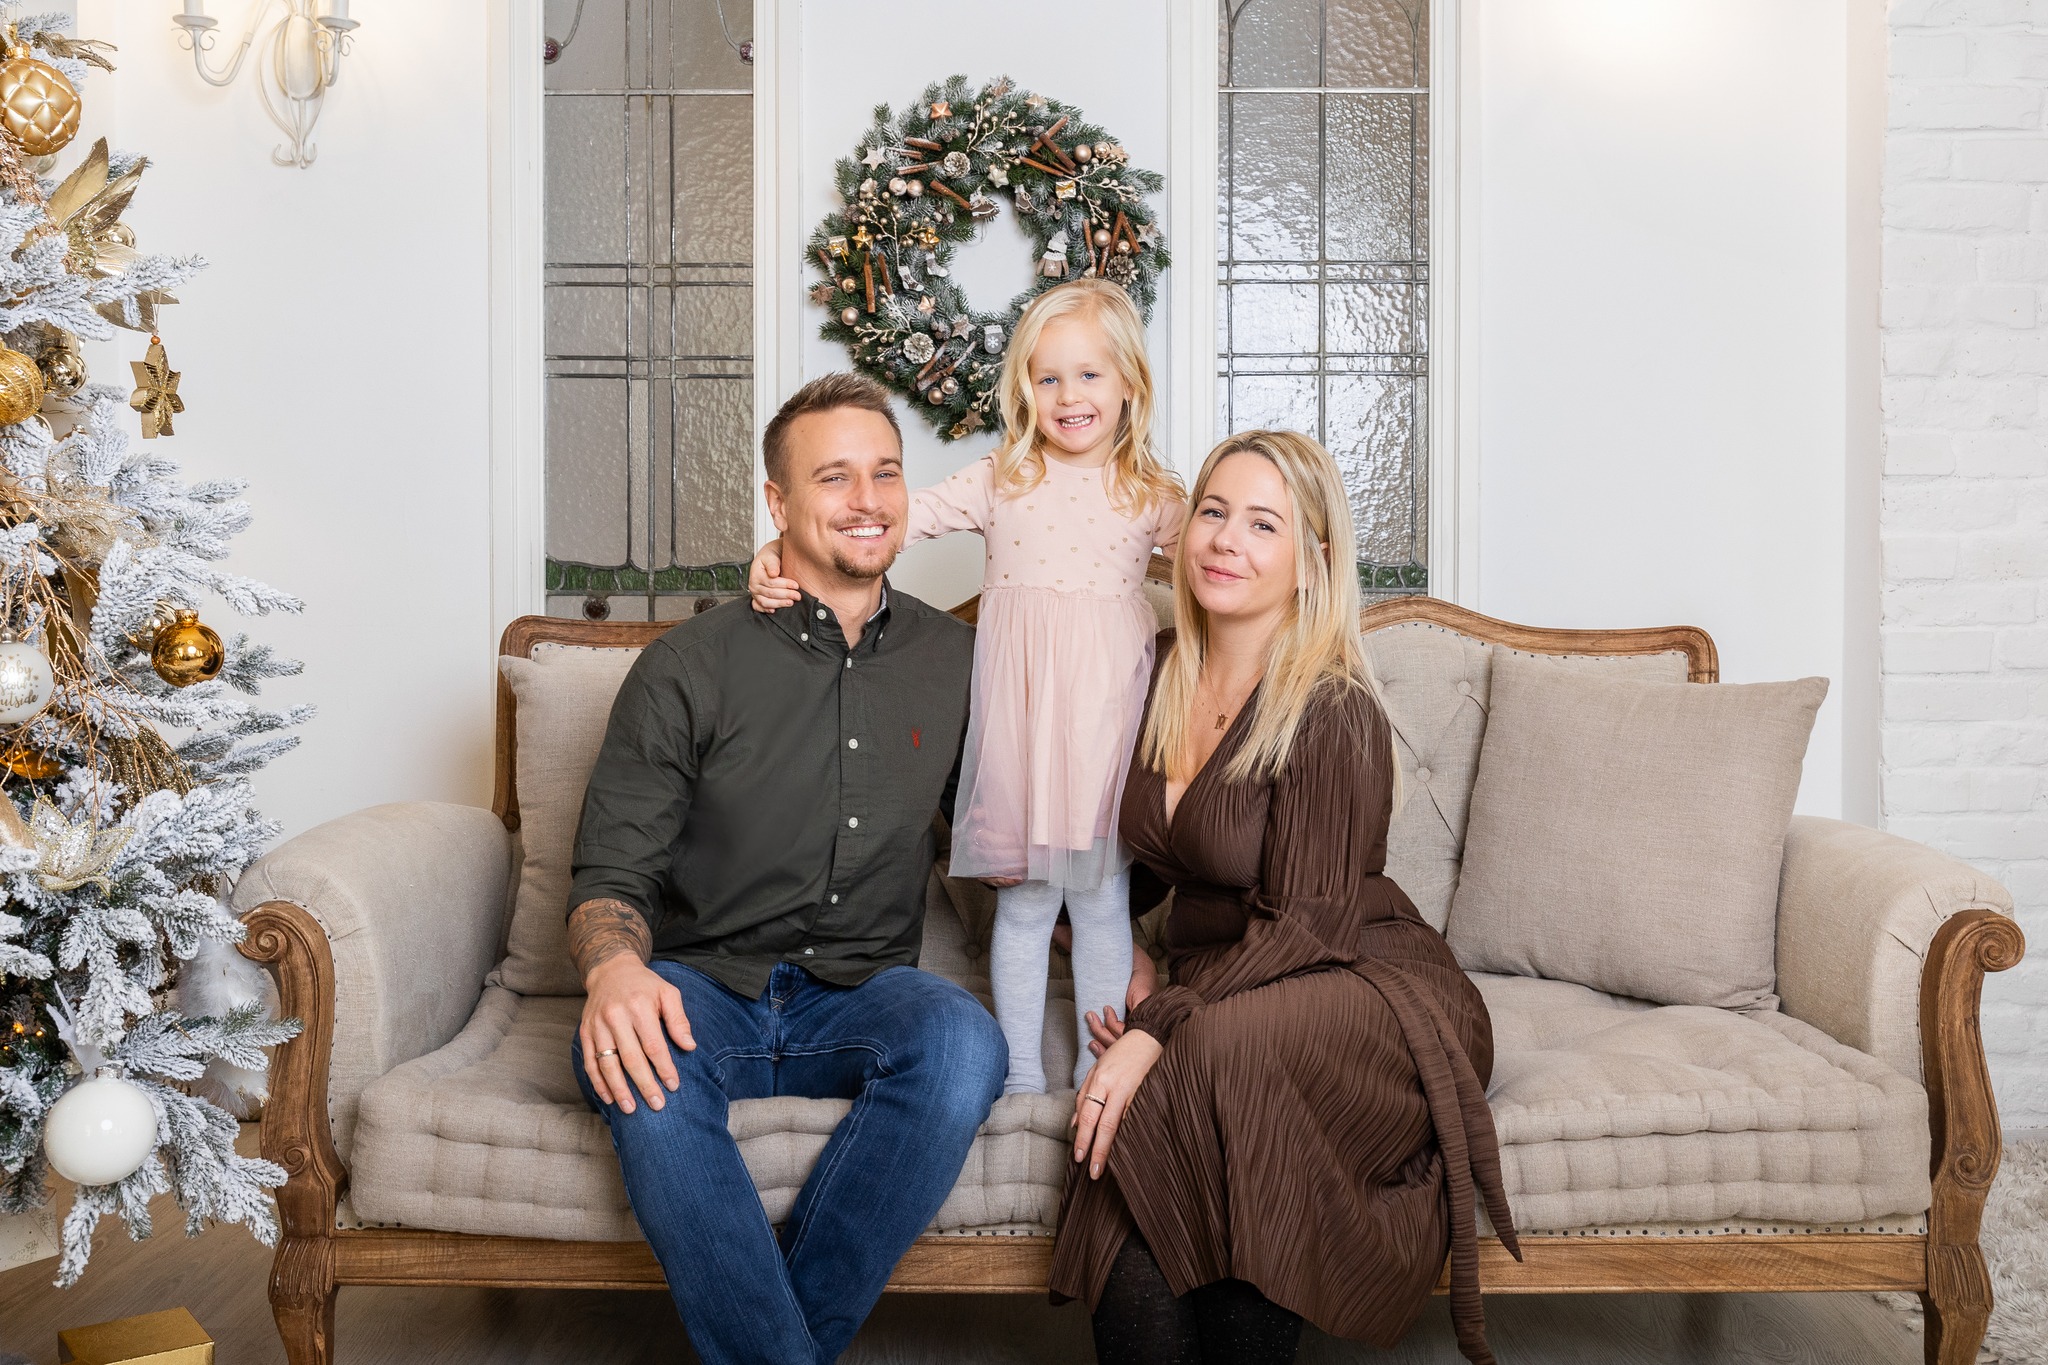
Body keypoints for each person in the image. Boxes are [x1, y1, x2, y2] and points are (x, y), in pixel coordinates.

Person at [564, 373, 1008, 1365]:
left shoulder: (958, 660)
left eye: (885, 473)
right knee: (633, 1059)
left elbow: (1008, 836)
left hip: (864, 993)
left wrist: (1115, 934)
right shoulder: (687, 666)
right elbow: (609, 873)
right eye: (834, 477)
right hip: (702, 989)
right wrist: (614, 970)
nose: (867, 499)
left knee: (963, 1045)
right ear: (778, 502)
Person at [1050, 430, 1520, 1365]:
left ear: (1314, 560)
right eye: (1214, 512)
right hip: (1236, 989)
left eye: (1265, 524)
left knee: (1202, 1062)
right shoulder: (1157, 669)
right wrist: (1106, 937)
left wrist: (1158, 1024)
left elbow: (1309, 924)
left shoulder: (1332, 704)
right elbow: (1132, 854)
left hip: (1362, 980)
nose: (1227, 539)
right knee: (1198, 1083)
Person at [751, 278, 1186, 1096]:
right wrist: (776, 553)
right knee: (1025, 905)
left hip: (1103, 733)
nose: (1069, 396)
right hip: (1020, 734)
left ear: (1130, 382)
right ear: (1024, 388)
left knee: (1101, 903)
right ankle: (1017, 1071)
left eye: (1089, 375)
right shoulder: (1003, 477)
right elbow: (887, 524)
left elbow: (1220, 559)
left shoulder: (1151, 493)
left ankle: (1098, 1066)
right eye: (1048, 377)